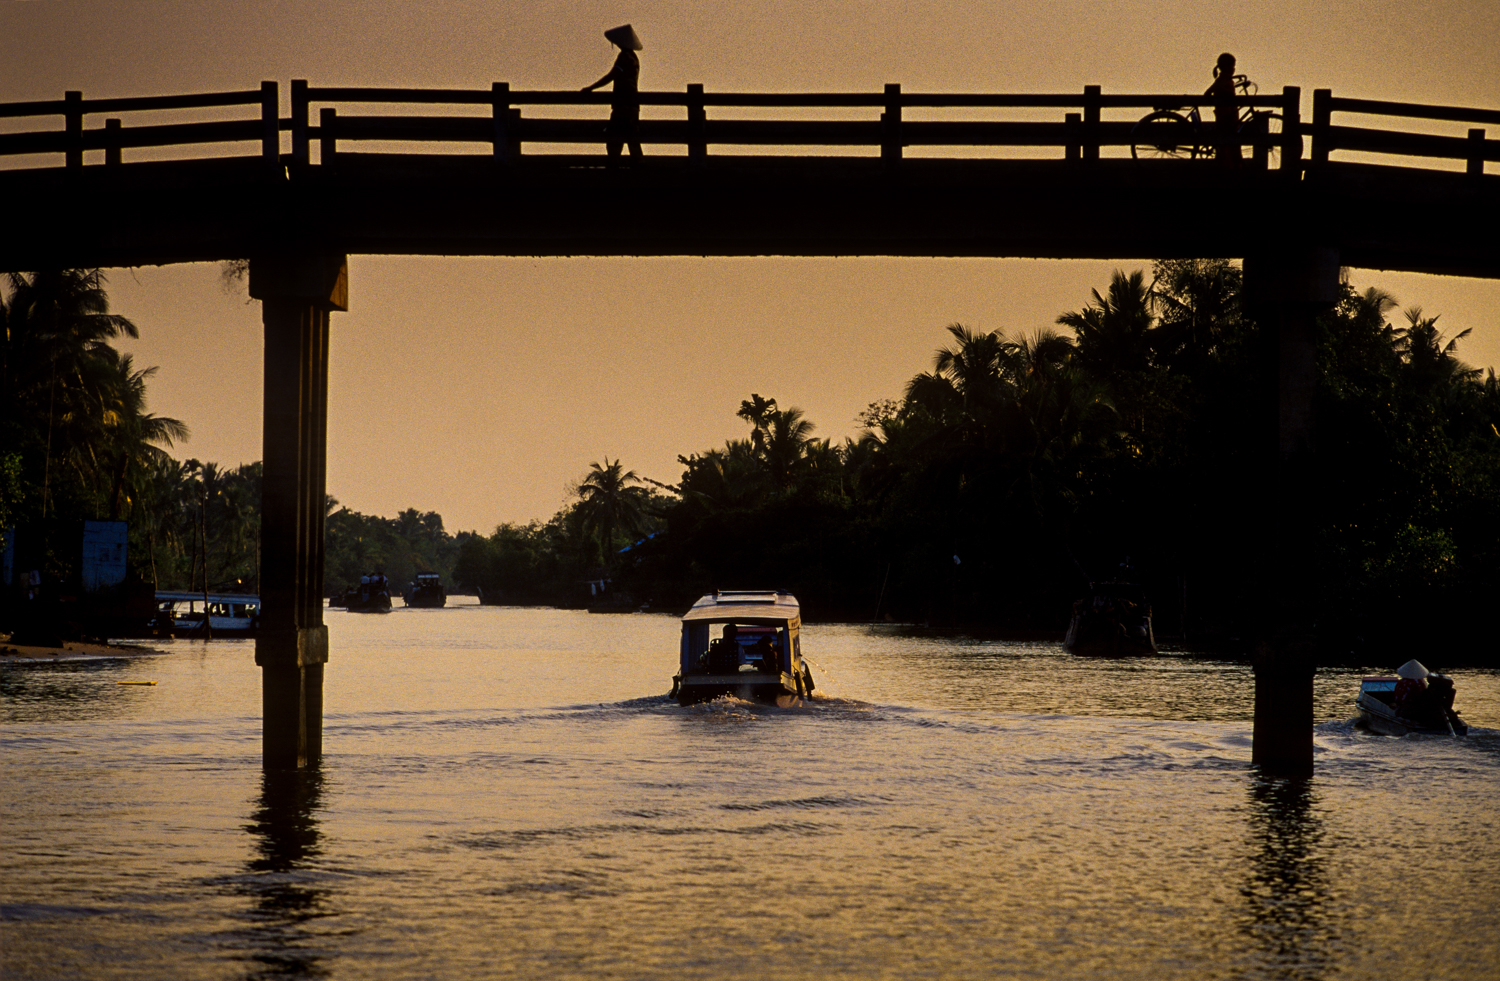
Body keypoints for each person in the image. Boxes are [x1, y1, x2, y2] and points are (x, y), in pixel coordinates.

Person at [582, 25, 644, 167]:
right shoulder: (633, 57)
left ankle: (613, 165)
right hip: (633, 105)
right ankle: (638, 165)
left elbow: (612, 75)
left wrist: (591, 88)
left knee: (614, 135)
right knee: (631, 136)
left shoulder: (624, 57)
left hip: (623, 104)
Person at [1206, 52, 1241, 164]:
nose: (1233, 69)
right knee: (1228, 143)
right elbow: (1210, 92)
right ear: (1225, 67)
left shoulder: (1227, 79)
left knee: (1230, 143)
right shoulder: (1223, 79)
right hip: (1226, 116)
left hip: (1229, 116)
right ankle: (1229, 167)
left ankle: (1231, 165)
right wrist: (1226, 94)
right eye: (1232, 66)